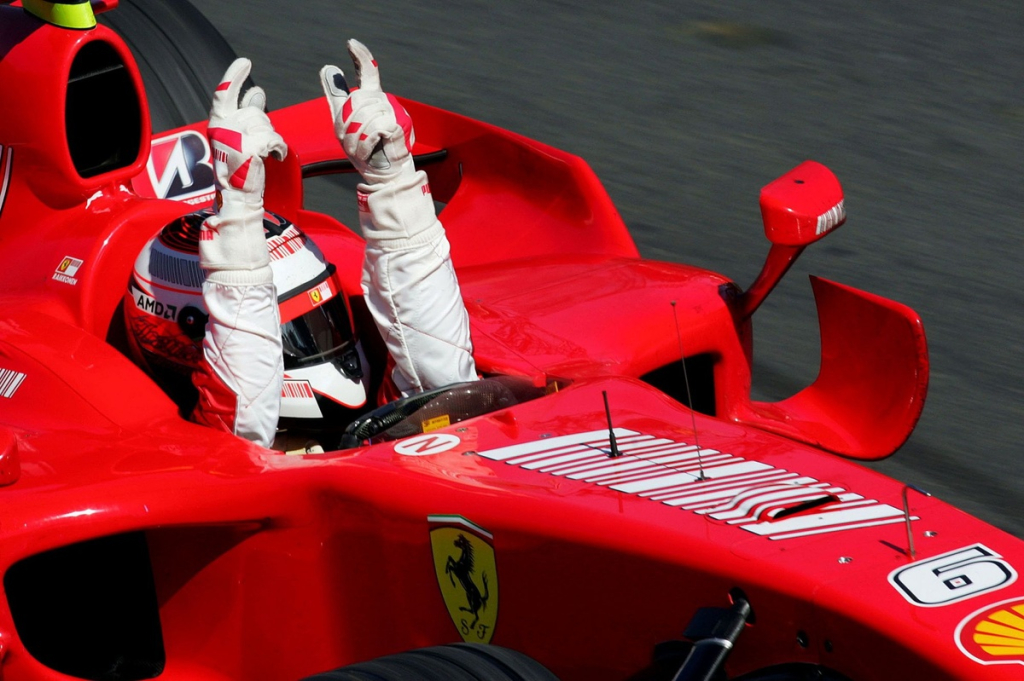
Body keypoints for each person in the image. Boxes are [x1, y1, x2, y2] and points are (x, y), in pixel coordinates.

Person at [125, 44, 476, 448]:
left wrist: (393, 182)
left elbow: (442, 387)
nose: (330, 347)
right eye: (295, 334)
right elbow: (243, 424)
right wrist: (237, 224)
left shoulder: (383, 428)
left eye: (324, 324)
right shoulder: (212, 459)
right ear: (197, 335)